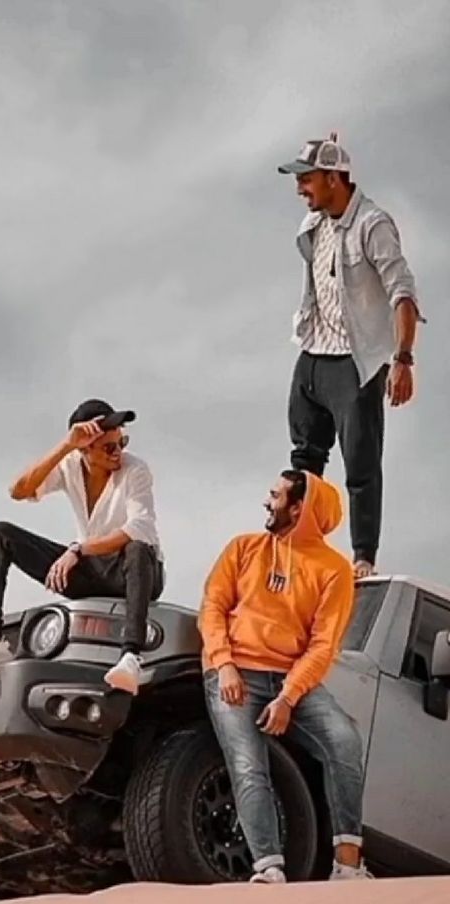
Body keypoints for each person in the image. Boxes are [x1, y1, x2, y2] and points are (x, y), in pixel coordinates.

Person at [199, 468, 370, 884]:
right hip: (234, 672)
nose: (267, 501)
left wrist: (289, 697)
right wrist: (223, 664)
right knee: (247, 762)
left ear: (300, 507)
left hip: (293, 680)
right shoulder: (243, 548)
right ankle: (268, 868)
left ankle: (349, 866)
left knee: (345, 741)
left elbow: (323, 644)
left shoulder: (334, 570)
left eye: (275, 496)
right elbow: (211, 608)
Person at [278, 134, 424, 578]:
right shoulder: (313, 225)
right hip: (312, 355)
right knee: (304, 459)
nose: (300, 188)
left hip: (355, 363)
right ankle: (295, 549)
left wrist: (402, 359)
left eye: (307, 179)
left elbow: (403, 291)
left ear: (333, 178)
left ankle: (363, 558)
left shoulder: (373, 224)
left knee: (361, 465)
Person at [0, 399, 164, 695]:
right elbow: (18, 490)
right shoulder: (70, 465)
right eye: (109, 447)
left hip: (136, 574)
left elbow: (138, 529)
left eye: (122, 442)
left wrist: (77, 550)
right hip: (91, 575)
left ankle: (131, 657)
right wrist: (65, 446)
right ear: (85, 448)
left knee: (138, 548)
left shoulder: (135, 470)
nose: (119, 452)